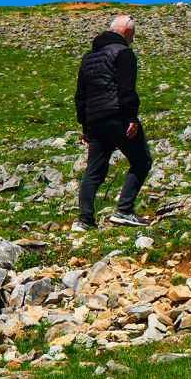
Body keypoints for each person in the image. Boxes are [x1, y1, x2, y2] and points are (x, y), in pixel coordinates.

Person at [74, 15, 151, 231]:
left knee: (94, 170)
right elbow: (126, 89)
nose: (133, 40)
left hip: (95, 120)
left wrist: (85, 126)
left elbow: (81, 95)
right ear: (126, 31)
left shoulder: (88, 57)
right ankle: (124, 210)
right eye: (132, 36)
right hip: (117, 115)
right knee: (141, 160)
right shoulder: (124, 53)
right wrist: (131, 117)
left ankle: (85, 220)